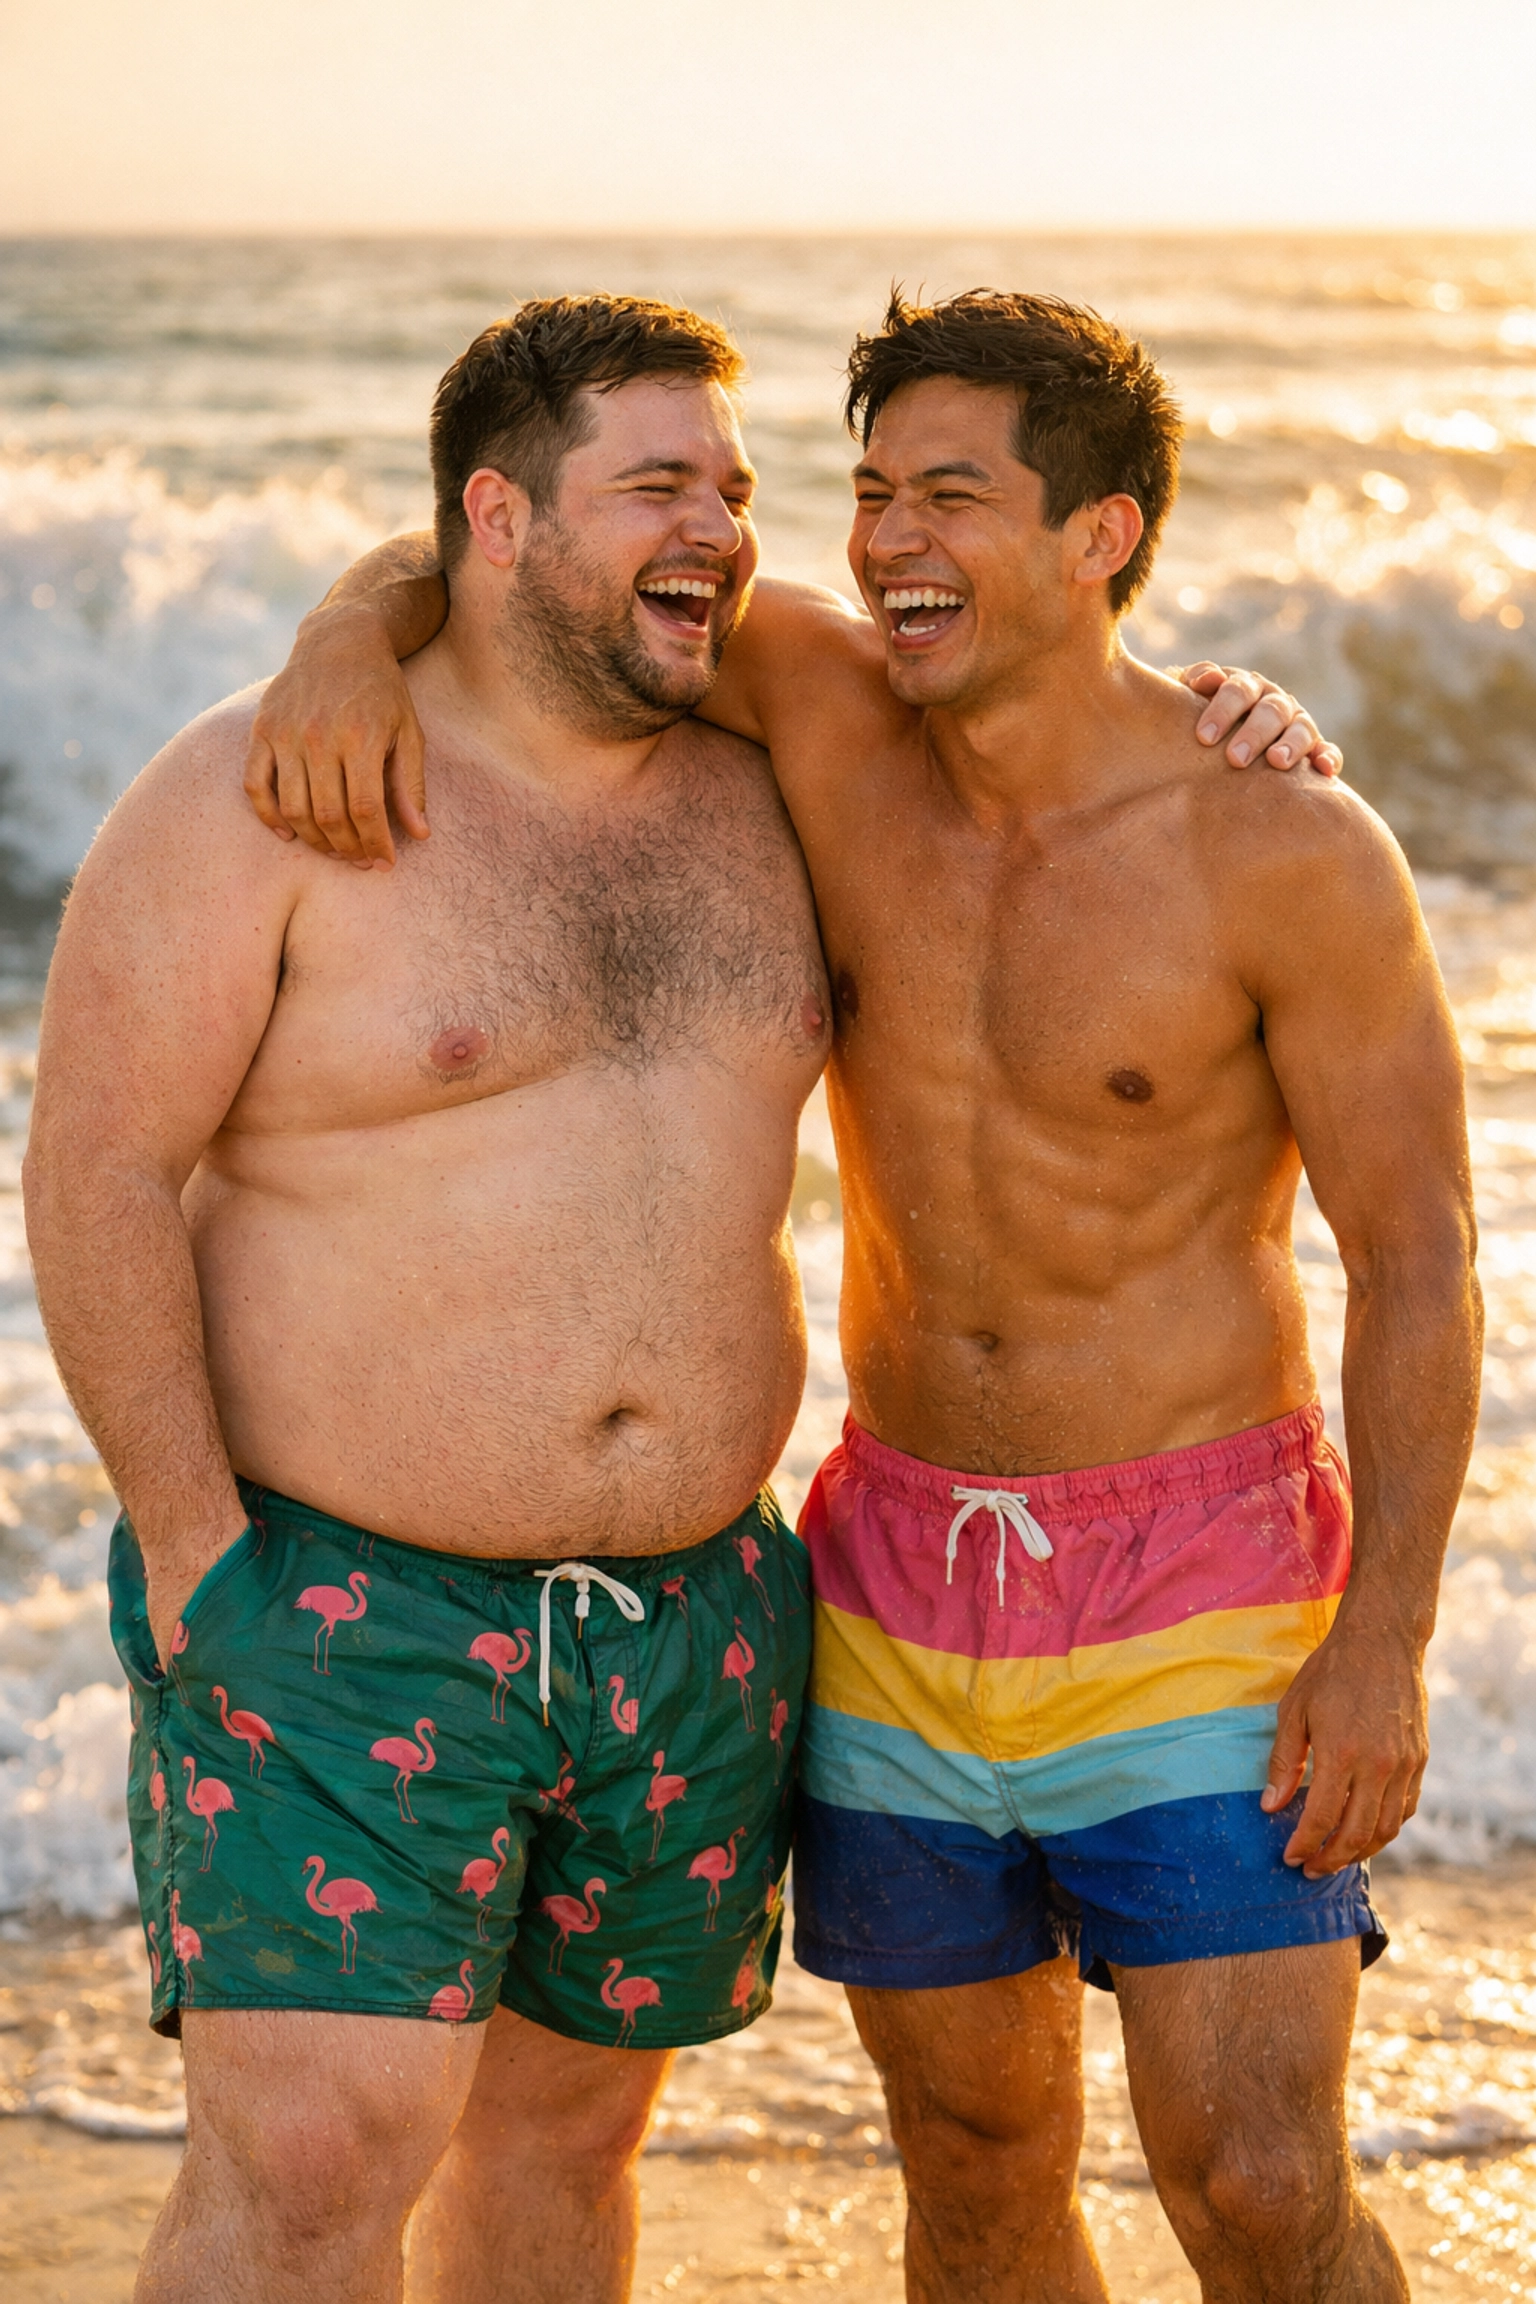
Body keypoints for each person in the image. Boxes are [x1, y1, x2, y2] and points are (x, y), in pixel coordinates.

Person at [256, 288, 1480, 2304]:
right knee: (980, 2167)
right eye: (874, 492)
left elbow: (1421, 1267)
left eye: (954, 497)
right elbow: (532, 558)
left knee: (1258, 2182)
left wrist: (1390, 1639)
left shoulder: (1285, 845)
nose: (889, 540)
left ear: (1097, 536)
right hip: (898, 1579)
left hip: (1200, 1574)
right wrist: (329, 642)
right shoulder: (825, 723)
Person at [25, 297, 836, 2304]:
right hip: (339, 1610)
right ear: (497, 516)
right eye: (657, 484)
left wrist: (1231, 710)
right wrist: (197, 1542)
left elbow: (1036, 721)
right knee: (306, 2172)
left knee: (564, 2160)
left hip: (693, 1625)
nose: (720, 530)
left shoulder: (784, 775)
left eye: (733, 487)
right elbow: (98, 1166)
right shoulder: (267, 794)